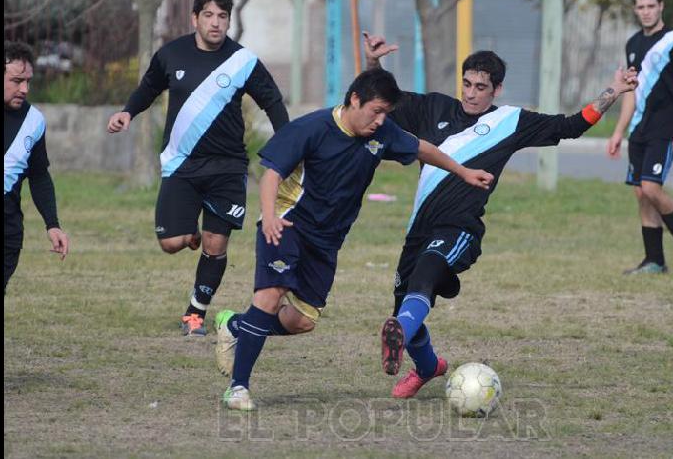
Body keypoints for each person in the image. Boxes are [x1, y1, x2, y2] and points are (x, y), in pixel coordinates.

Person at [362, 31, 638, 398]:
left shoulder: (510, 122)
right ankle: (429, 366)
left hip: (459, 227)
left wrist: (614, 91)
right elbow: (385, 101)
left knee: (427, 273)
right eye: (467, 84)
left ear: (497, 90)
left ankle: (402, 331)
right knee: (405, 304)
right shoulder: (433, 108)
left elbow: (570, 125)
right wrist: (373, 63)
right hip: (419, 228)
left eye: (481, 86)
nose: (472, 93)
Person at [212, 68, 494, 410]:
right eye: (376, 111)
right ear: (355, 100)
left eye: (386, 113)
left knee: (302, 321)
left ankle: (237, 325)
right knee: (270, 296)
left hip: (326, 241)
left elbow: (421, 148)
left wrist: (463, 172)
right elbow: (272, 173)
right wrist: (269, 215)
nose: (380, 120)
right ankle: (238, 388)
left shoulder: (382, 133)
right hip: (287, 224)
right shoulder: (311, 128)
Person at [107, 0, 289, 336]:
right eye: (208, 15)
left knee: (216, 244)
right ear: (195, 18)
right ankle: (189, 234)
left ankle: (196, 312)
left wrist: (288, 144)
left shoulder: (243, 61)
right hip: (181, 165)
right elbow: (148, 88)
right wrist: (127, 113)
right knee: (171, 244)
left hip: (228, 167)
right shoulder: (171, 55)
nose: (216, 23)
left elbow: (273, 102)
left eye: (222, 16)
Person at [607, 0, 673, 275]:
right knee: (640, 193)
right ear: (635, 10)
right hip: (639, 129)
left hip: (665, 127)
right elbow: (632, 92)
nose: (646, 12)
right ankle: (655, 261)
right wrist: (619, 131)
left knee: (651, 187)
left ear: (661, 7)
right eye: (641, 7)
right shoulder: (633, 44)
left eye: (651, 6)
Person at [4, 41, 69, 293]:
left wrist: (52, 224)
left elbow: (40, 176)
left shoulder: (34, 122)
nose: (24, 89)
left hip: (8, 230)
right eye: (17, 80)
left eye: (28, 81)